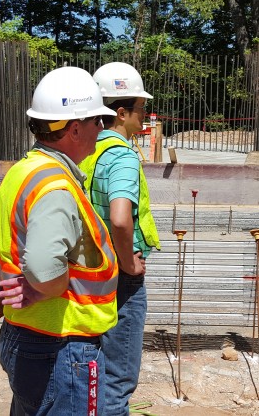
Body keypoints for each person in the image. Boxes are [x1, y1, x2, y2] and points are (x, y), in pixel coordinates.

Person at [0, 66, 119, 416]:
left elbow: (22, 246)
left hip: (31, 336)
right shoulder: (56, 185)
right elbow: (41, 265)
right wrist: (45, 287)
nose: (102, 129)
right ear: (74, 128)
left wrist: (16, 286)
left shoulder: (25, 169)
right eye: (97, 121)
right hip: (59, 347)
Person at [79, 61, 161, 416]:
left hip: (88, 270)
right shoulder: (122, 156)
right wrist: (129, 263)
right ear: (122, 112)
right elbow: (121, 219)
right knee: (117, 376)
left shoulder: (83, 150)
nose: (144, 116)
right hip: (119, 276)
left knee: (88, 366)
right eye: (140, 109)